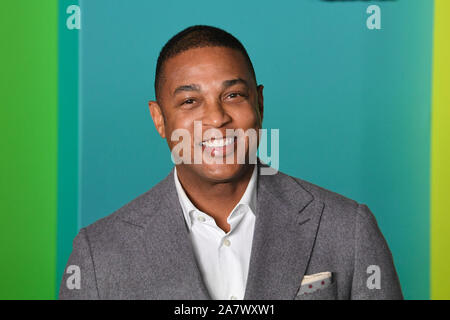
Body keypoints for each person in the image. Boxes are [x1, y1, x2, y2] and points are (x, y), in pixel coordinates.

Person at [59, 25, 403, 300]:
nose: (216, 117)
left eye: (233, 95)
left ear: (260, 103)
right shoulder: (99, 254)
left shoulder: (348, 228)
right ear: (159, 119)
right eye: (190, 101)